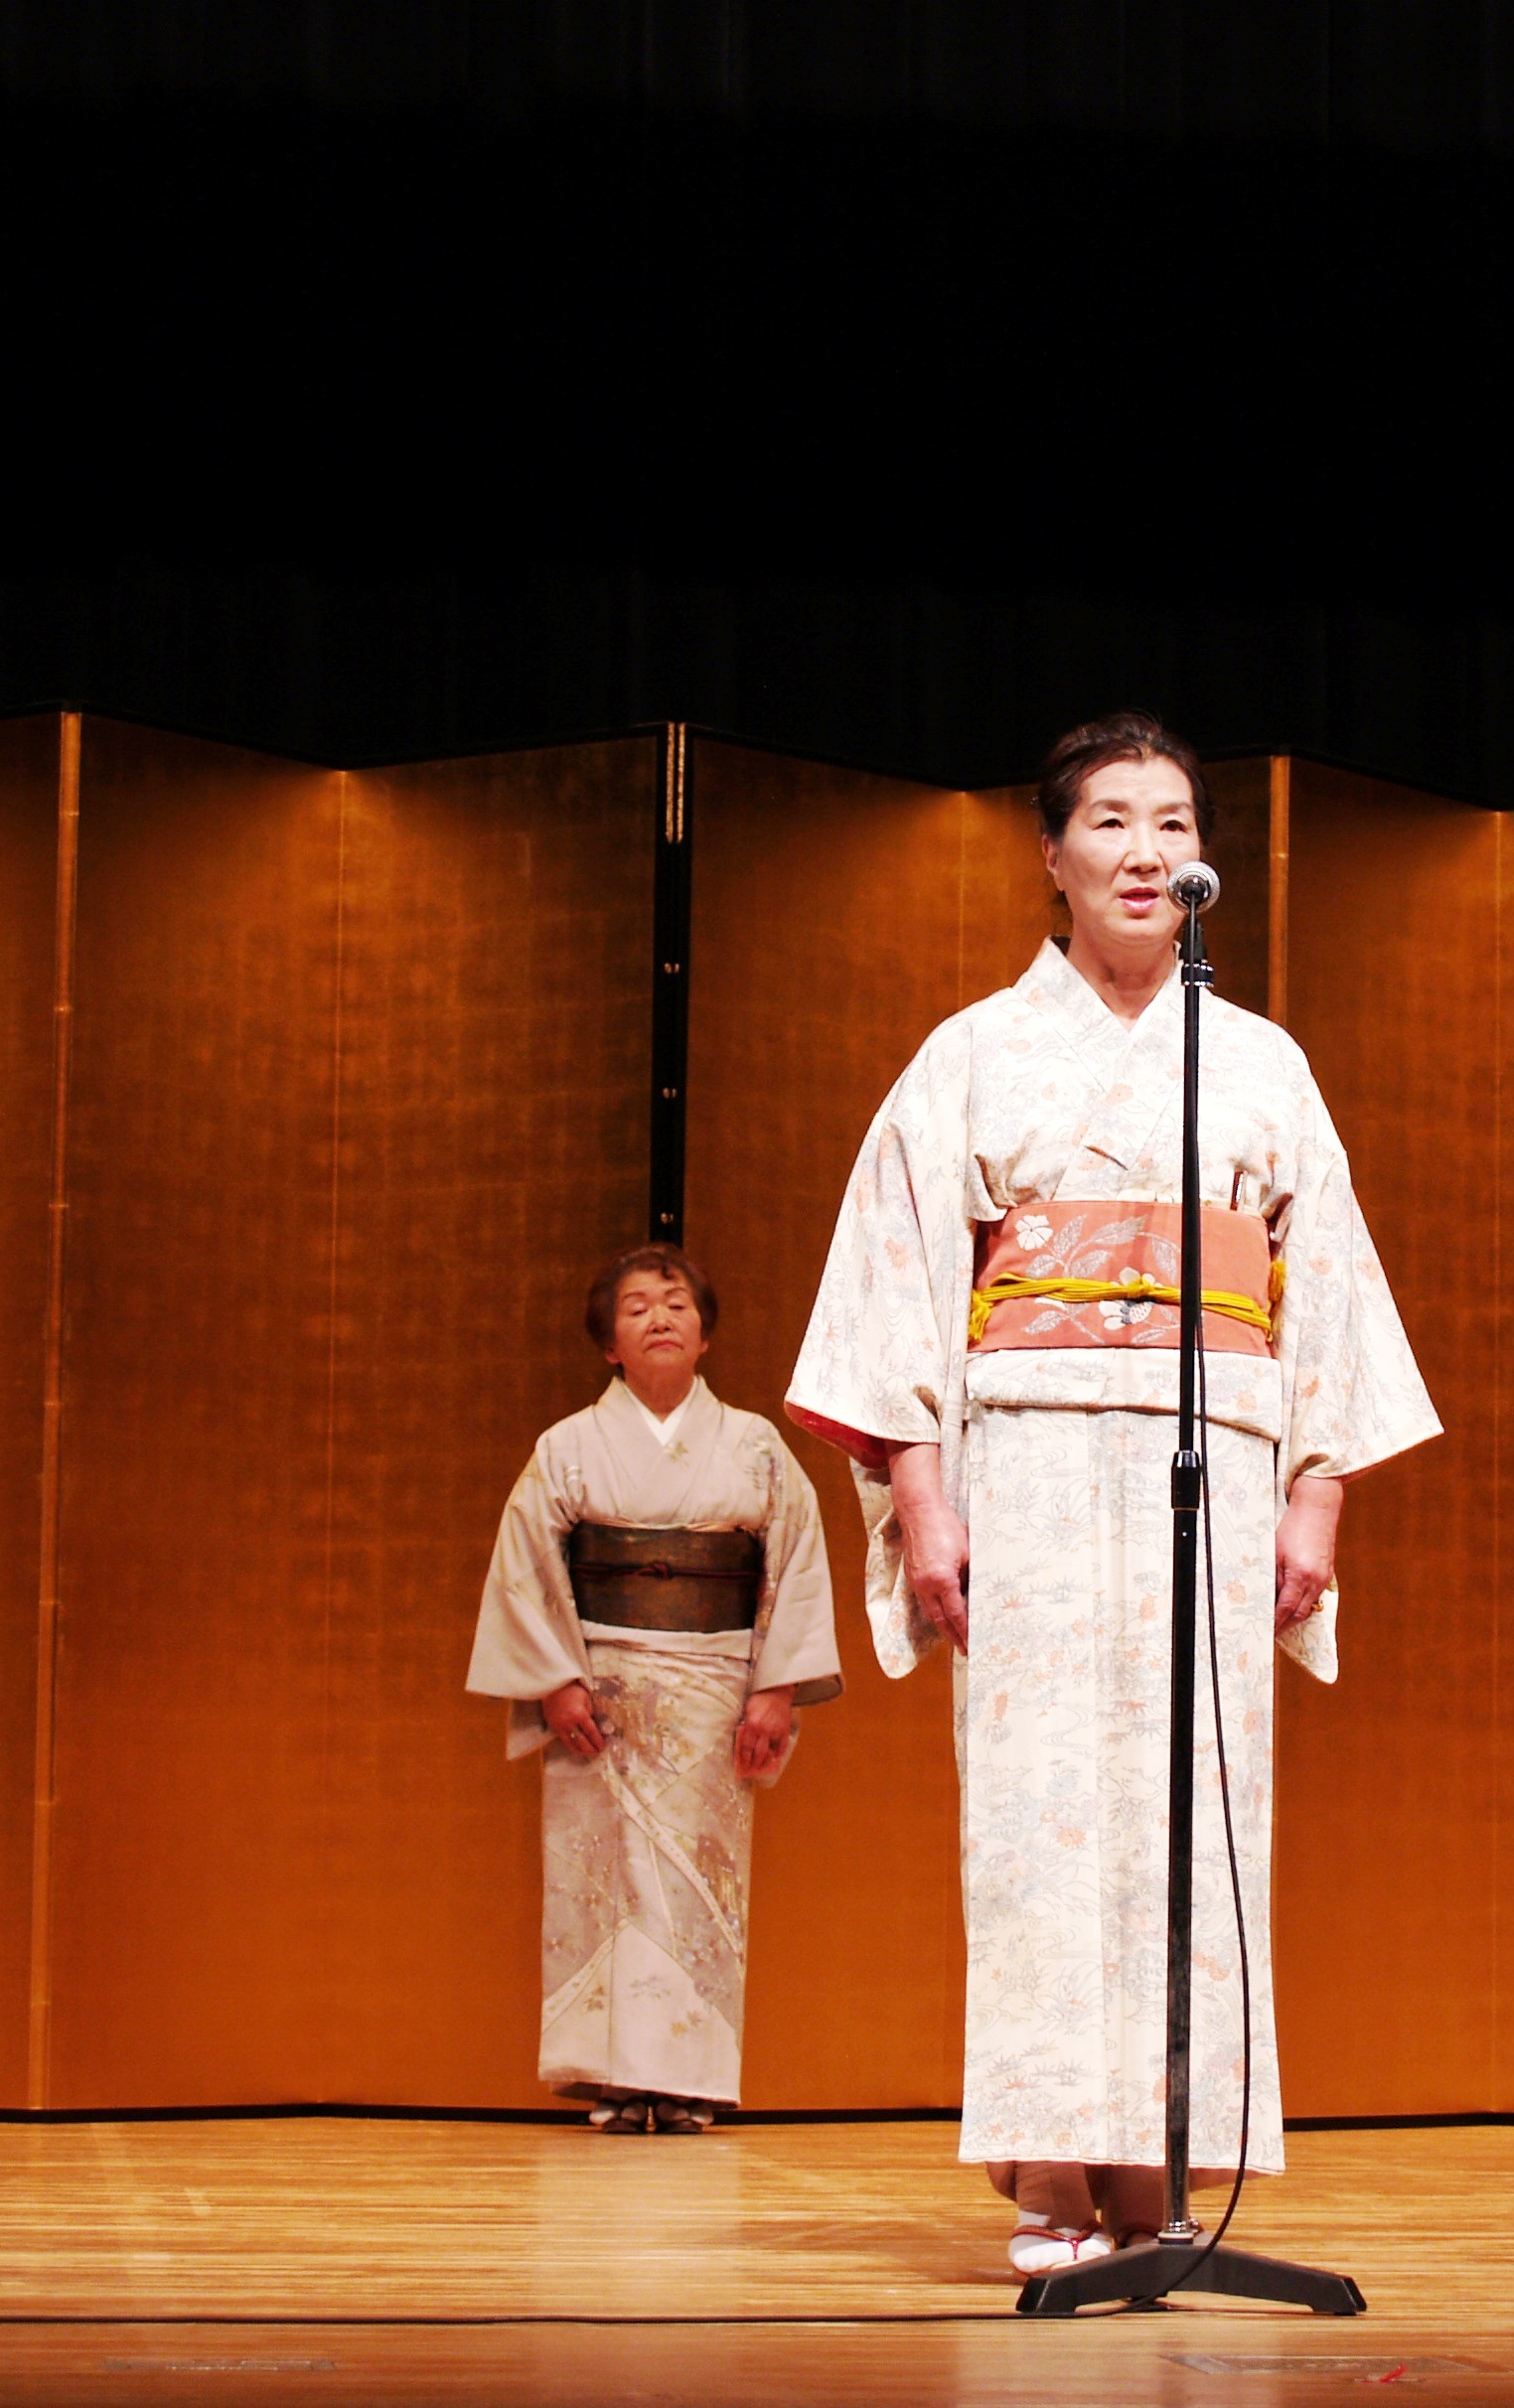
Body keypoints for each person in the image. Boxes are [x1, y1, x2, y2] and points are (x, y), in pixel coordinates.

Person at [786, 711, 1438, 2277]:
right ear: (1052, 854)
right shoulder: (972, 1053)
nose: (1145, 852)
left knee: (1195, 1811)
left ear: (1201, 857)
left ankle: (1160, 2166)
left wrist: (1315, 1502)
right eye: (1111, 822)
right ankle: (1051, 2177)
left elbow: (1325, 1289)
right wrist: (924, 1501)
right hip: (1027, 1465)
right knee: (1038, 1821)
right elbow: (897, 1284)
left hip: (1213, 1464)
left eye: (1171, 824)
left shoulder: (1260, 1061)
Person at [468, 1245, 841, 2133]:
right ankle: (613, 2078)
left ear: (705, 1335)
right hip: (599, 1693)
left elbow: (795, 1563)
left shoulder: (755, 1445)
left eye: (676, 1306)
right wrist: (557, 1681)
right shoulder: (566, 1447)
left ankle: (690, 2080)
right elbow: (526, 1567)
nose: (659, 1319)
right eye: (636, 1309)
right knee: (601, 1880)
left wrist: (775, 1691)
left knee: (697, 1884)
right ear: (609, 1344)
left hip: (713, 1691)